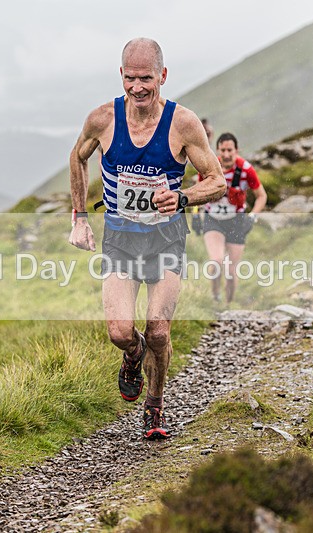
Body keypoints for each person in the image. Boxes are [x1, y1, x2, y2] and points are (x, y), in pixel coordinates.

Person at [68, 38, 226, 440]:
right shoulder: (102, 119)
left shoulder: (183, 124)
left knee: (159, 329)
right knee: (121, 333)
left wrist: (184, 197)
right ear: (121, 76)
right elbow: (77, 157)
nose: (138, 88)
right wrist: (80, 218)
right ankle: (133, 355)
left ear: (163, 77)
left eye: (147, 79)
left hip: (166, 240)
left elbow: (218, 182)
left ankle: (154, 405)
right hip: (120, 240)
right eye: (131, 79)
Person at [199, 132, 267, 303]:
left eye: (230, 150)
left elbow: (261, 196)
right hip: (212, 218)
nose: (227, 154)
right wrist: (196, 214)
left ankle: (228, 304)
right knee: (216, 261)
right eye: (223, 150)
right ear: (217, 151)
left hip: (237, 221)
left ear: (237, 150)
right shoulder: (209, 167)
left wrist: (253, 217)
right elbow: (199, 192)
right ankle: (215, 296)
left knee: (230, 271)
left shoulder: (246, 170)